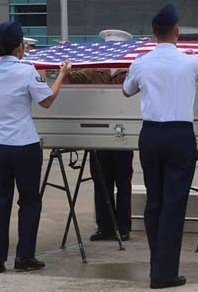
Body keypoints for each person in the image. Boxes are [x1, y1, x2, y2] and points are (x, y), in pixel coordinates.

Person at [123, 4, 198, 289]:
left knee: (155, 201)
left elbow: (127, 90)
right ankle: (164, 272)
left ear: (153, 32)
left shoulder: (141, 62)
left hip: (151, 134)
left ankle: (158, 264)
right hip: (180, 135)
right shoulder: (191, 61)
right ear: (177, 31)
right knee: (174, 204)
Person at [0, 21, 71, 274]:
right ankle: (24, 257)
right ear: (20, 46)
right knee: (30, 201)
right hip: (25, 145)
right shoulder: (27, 70)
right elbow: (46, 101)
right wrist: (62, 76)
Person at [66, 29, 134, 242]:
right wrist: (67, 57)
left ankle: (123, 227)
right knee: (101, 181)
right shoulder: (95, 70)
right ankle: (104, 226)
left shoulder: (131, 72)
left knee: (123, 181)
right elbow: (72, 77)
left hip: (123, 135)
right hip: (98, 132)